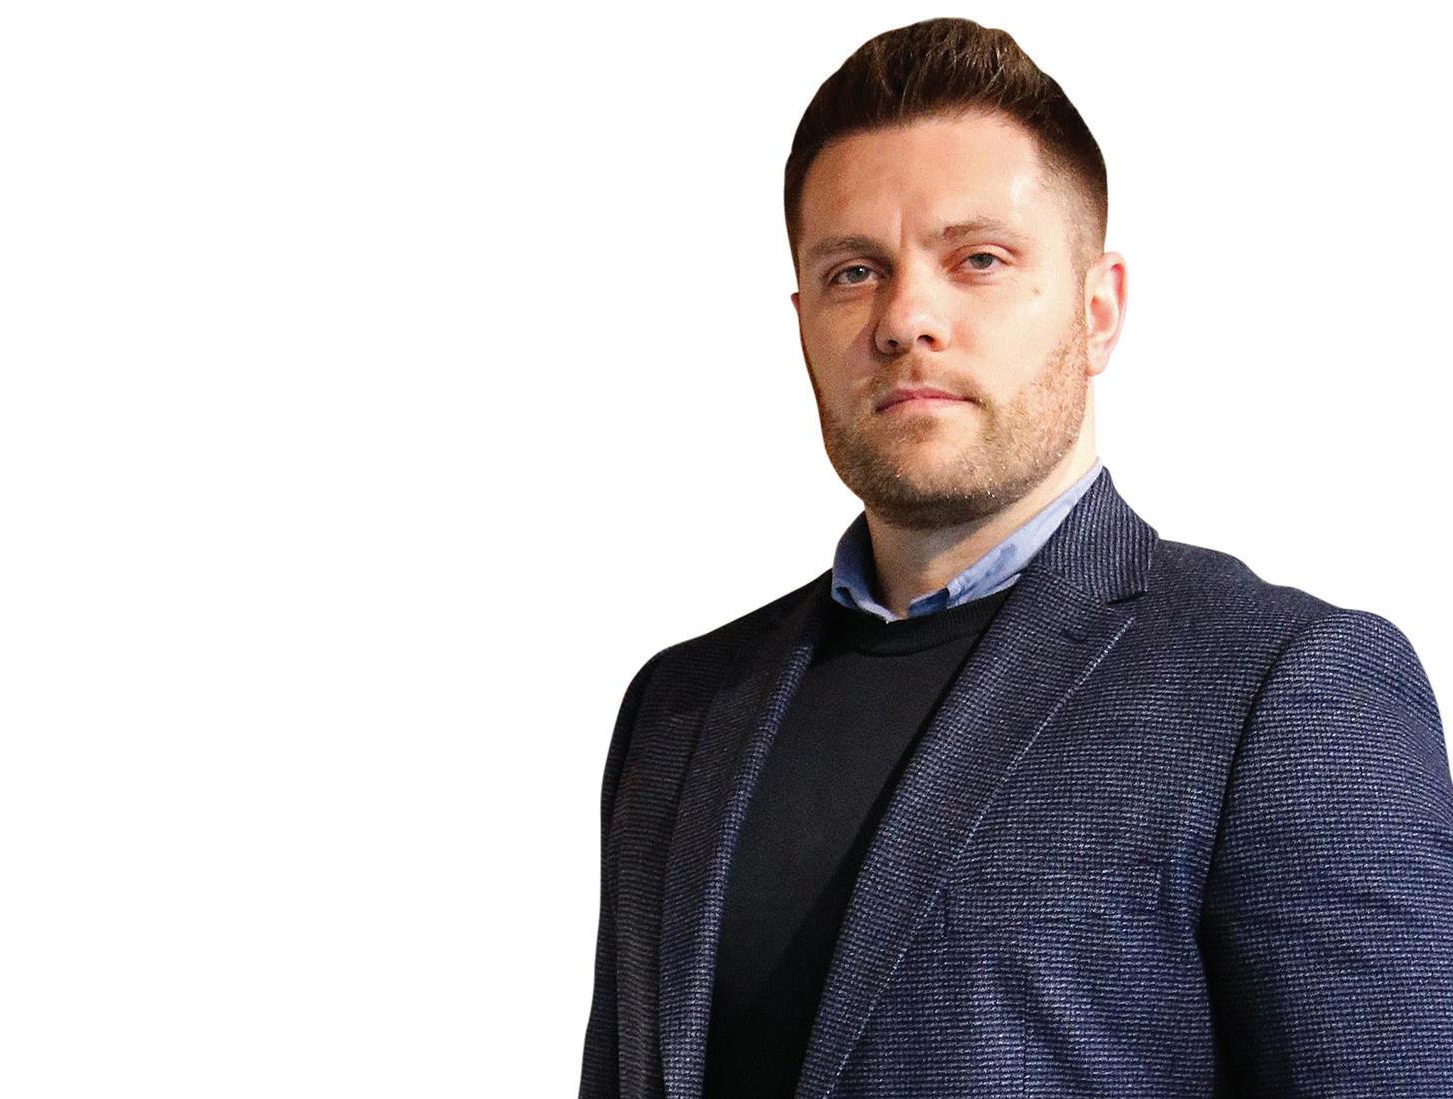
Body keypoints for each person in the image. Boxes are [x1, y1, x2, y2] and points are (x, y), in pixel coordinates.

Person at [578, 17, 1453, 1099]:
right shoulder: (676, 712)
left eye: (978, 260)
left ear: (1099, 310)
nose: (906, 317)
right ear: (802, 321)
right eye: (854, 271)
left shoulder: (1285, 691)